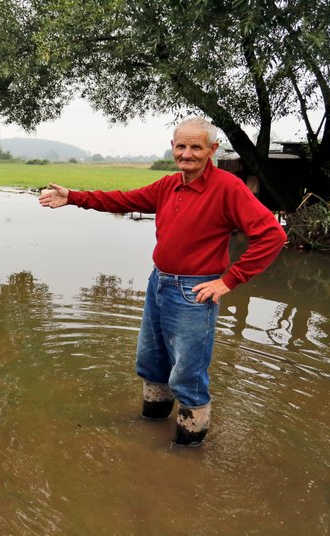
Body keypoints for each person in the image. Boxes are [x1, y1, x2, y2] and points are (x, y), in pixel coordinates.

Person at [38, 117, 287, 446]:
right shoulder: (169, 186)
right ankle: (151, 424)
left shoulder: (228, 188)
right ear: (172, 148)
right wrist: (74, 197)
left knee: (188, 374)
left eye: (195, 147)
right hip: (160, 284)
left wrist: (228, 281)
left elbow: (272, 235)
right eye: (181, 146)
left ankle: (188, 449)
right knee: (152, 361)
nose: (187, 153)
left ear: (212, 150)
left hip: (194, 293)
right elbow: (123, 200)